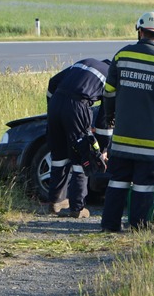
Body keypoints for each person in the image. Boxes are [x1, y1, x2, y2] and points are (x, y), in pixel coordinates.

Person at [101, 11, 154, 231]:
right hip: (150, 141)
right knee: (144, 184)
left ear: (139, 30)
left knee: (118, 180)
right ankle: (138, 225)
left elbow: (109, 92)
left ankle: (109, 225)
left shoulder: (122, 56)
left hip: (122, 136)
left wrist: (108, 117)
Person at [46, 58, 111, 219]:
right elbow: (105, 119)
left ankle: (56, 200)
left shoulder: (85, 62)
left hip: (55, 104)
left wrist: (51, 106)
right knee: (83, 155)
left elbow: (53, 82)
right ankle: (77, 207)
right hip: (77, 106)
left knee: (59, 155)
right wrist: (102, 149)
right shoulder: (111, 77)